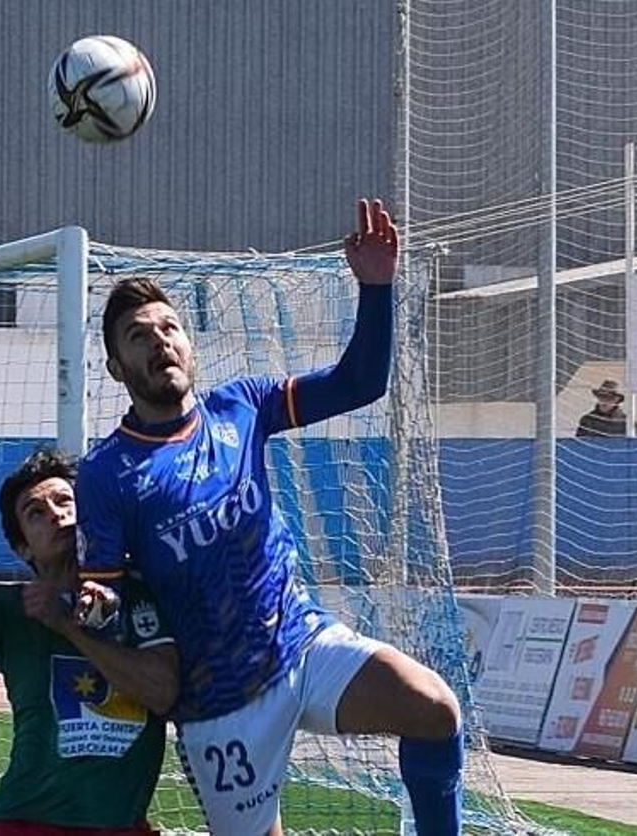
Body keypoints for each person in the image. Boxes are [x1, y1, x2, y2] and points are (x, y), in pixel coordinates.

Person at [76, 199, 464, 835]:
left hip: (302, 644)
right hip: (219, 707)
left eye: (169, 329)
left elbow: (359, 383)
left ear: (191, 347)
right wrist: (89, 605)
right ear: (118, 368)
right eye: (139, 337)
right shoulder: (107, 473)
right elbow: (109, 593)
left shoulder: (243, 406)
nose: (159, 343)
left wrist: (375, 289)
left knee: (433, 708)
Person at [0, 449, 178, 836]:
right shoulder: (10, 610)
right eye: (35, 513)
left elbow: (162, 692)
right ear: (22, 547)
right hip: (26, 823)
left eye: (64, 500)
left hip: (122, 826)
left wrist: (68, 626)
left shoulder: (139, 594)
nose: (56, 514)